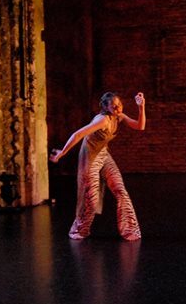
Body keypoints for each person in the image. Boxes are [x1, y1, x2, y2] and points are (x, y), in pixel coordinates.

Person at [50, 91, 146, 241]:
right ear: (106, 107)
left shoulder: (119, 117)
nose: (118, 109)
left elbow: (140, 126)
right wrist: (62, 152)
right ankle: (80, 229)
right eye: (114, 107)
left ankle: (129, 228)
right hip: (90, 157)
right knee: (91, 198)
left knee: (120, 189)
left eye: (119, 105)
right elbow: (78, 134)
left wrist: (141, 107)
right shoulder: (102, 120)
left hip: (103, 154)